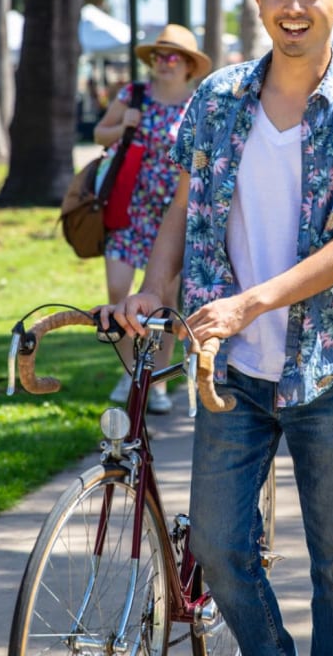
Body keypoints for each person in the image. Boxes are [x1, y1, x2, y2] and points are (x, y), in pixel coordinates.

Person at [104, 0, 333, 655]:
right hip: (229, 370)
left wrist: (253, 301)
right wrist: (154, 288)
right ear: (258, 1)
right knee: (216, 547)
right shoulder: (217, 98)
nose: (294, 5)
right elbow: (182, 206)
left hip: (330, 370)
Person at [94, 23, 211, 413]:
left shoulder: (198, 103)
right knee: (118, 291)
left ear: (189, 66)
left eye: (173, 56)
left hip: (172, 214)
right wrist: (121, 124)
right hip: (131, 209)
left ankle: (157, 381)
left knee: (165, 300)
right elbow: (100, 133)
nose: (164, 63)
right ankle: (129, 370)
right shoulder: (135, 95)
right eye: (159, 56)